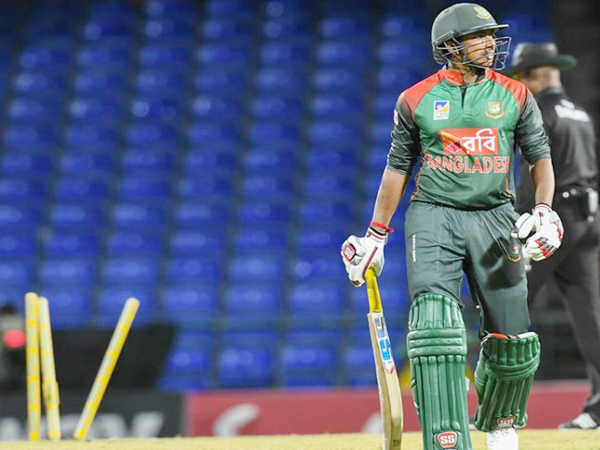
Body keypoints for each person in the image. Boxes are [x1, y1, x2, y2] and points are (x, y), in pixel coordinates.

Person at [341, 3, 564, 450]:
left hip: (497, 217)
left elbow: (539, 157)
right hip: (434, 216)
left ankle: (500, 423)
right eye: (479, 36)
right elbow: (397, 168)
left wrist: (544, 210)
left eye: (491, 35)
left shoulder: (516, 95)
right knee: (435, 329)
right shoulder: (415, 99)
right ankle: (447, 438)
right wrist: (376, 234)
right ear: (450, 46)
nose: (490, 44)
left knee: (514, 338)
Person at [505, 42, 600, 430]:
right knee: (591, 315)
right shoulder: (580, 113)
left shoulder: (539, 112)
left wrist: (519, 220)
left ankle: (499, 406)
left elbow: (534, 171)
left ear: (531, 76)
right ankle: (599, 411)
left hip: (551, 221)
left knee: (507, 302)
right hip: (588, 218)